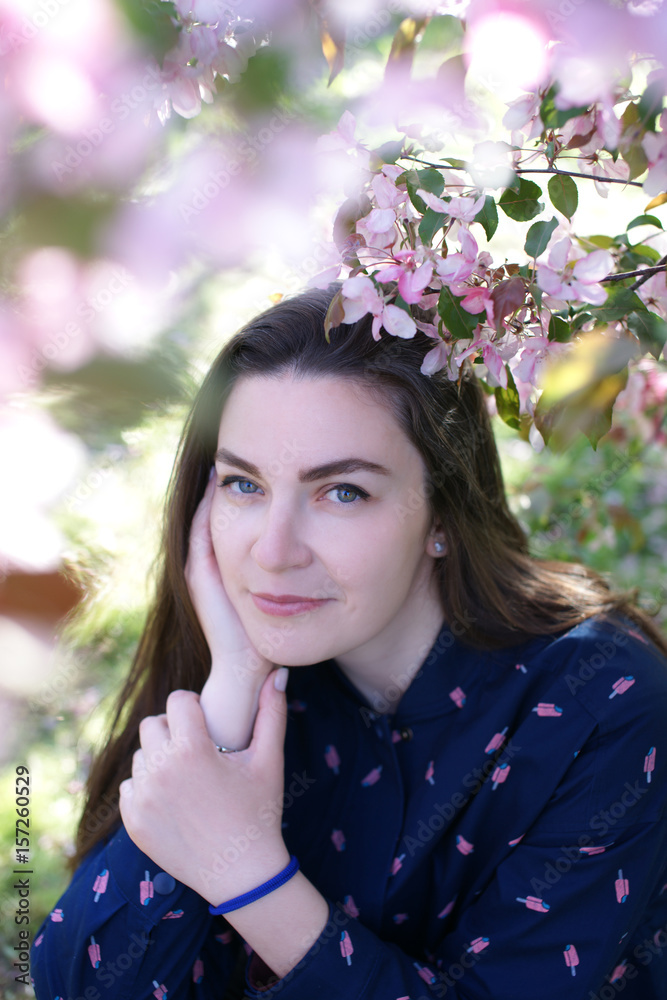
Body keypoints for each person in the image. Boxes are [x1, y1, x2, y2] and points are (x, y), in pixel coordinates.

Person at [31, 284, 667, 1000]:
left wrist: (248, 877)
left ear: (444, 515)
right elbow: (80, 987)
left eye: (342, 493)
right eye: (243, 485)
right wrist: (232, 690)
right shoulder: (257, 683)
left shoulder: (599, 699)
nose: (273, 552)